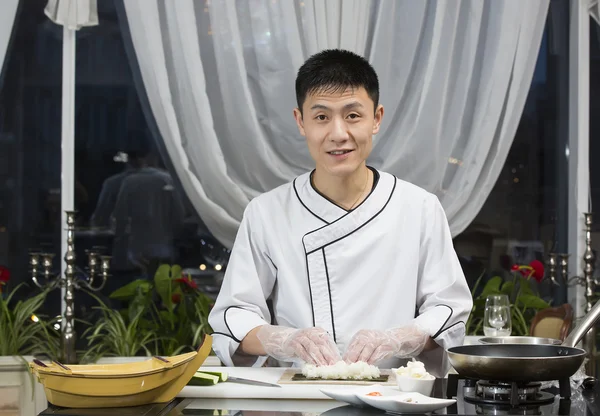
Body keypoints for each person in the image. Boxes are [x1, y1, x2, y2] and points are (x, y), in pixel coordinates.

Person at [208, 49, 473, 377]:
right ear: (300, 121)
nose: (338, 134)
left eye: (352, 115)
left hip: (395, 394)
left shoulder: (419, 208)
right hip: (297, 397)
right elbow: (235, 315)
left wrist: (400, 339)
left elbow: (448, 310)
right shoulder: (266, 213)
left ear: (376, 119)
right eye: (321, 117)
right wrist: (285, 340)